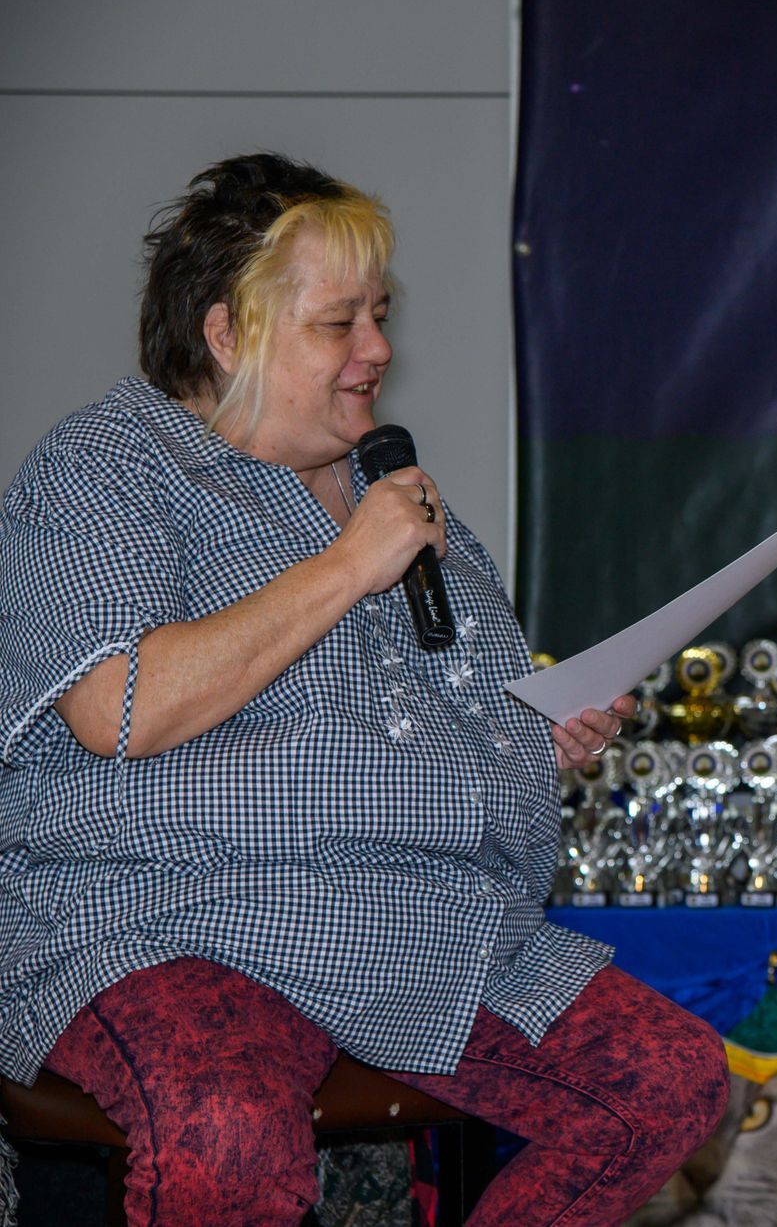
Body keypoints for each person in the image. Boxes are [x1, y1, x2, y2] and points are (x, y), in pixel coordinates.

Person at [0, 153, 728, 1226]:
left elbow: (435, 706)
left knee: (667, 1080)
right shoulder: (109, 466)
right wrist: (347, 565)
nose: (378, 348)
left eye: (379, 315)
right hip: (176, 916)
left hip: (413, 919)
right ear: (226, 332)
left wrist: (535, 734)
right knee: (227, 1133)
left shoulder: (398, 497)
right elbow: (121, 703)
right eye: (339, 322)